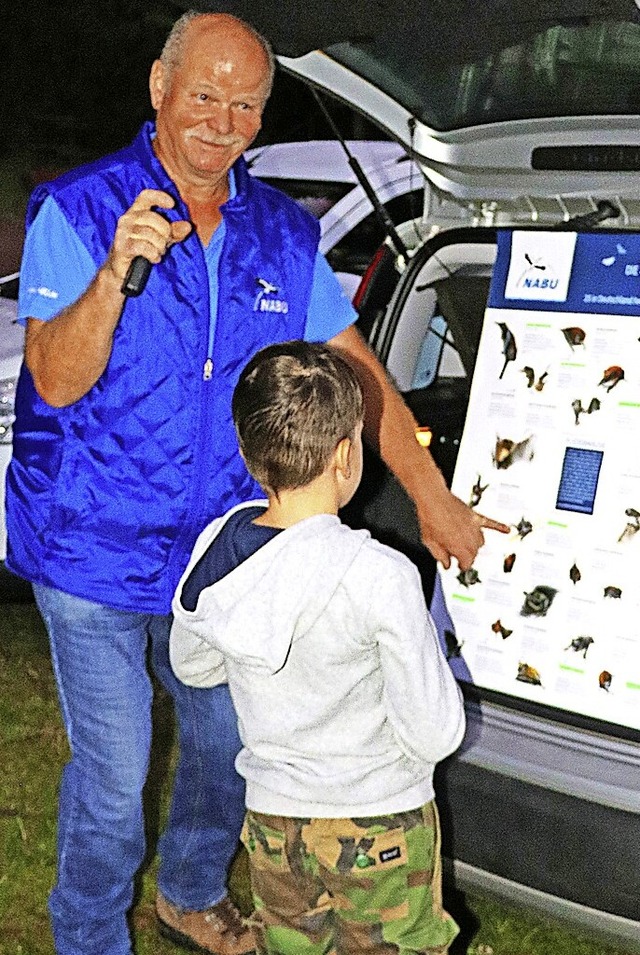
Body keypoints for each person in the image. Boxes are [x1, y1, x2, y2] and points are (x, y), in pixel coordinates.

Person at [5, 10, 506, 955]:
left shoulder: (281, 233)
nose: (222, 122)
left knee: (229, 748)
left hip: (224, 550)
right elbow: (57, 378)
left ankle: (191, 889)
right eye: (204, 96)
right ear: (159, 89)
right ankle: (88, 934)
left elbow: (358, 374)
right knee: (113, 779)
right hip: (90, 544)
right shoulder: (76, 209)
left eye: (246, 104)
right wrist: (115, 273)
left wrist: (430, 493)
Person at [169, 340, 465, 955]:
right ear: (346, 455)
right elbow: (435, 732)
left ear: (250, 455)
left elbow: (191, 667)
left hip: (275, 823)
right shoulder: (378, 573)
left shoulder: (219, 549)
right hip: (381, 819)